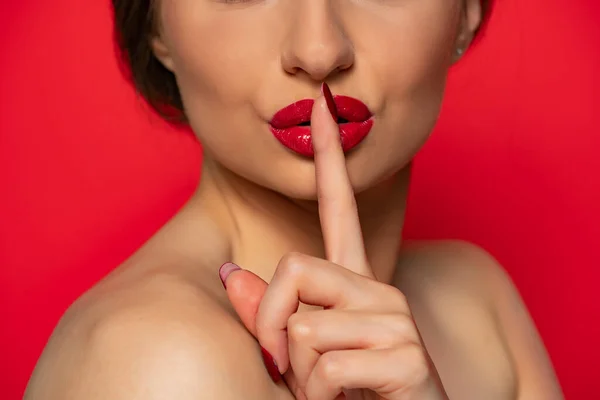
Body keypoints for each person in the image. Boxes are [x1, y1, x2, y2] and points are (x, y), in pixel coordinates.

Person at [24, 0, 563, 399]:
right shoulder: (161, 365)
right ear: (157, 24)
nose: (319, 51)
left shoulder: (478, 304)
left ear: (466, 13)